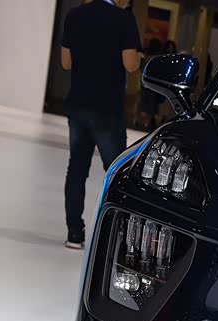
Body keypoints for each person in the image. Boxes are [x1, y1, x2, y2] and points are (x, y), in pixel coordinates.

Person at [61, 0, 142, 249]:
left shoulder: (75, 15)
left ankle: (74, 234)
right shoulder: (124, 20)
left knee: (77, 169)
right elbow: (130, 64)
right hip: (107, 110)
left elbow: (66, 62)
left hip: (78, 104)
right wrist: (138, 57)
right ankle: (116, 238)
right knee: (117, 173)